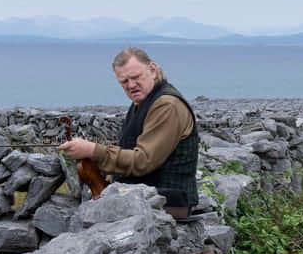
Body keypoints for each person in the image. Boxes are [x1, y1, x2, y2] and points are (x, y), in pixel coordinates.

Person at [59, 47, 199, 216]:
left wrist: (93, 150)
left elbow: (143, 161)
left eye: (136, 77)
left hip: (166, 208)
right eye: (124, 82)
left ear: (153, 70)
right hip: (145, 203)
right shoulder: (144, 101)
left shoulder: (167, 105)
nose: (131, 85)